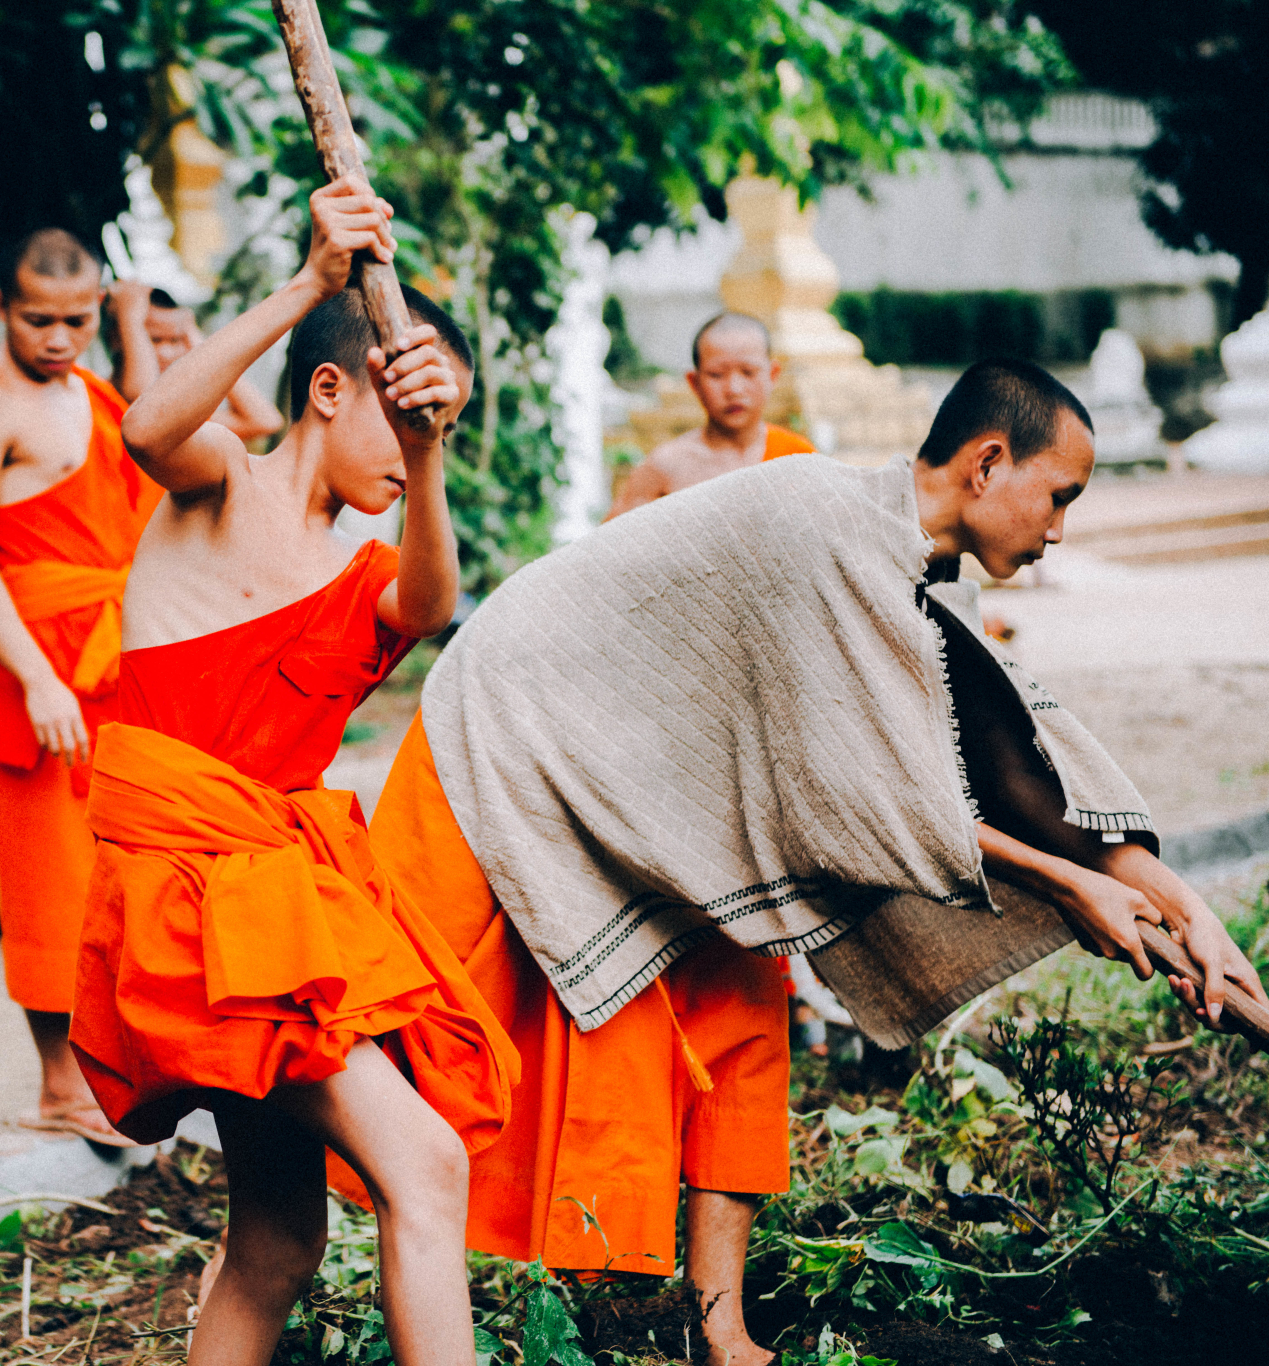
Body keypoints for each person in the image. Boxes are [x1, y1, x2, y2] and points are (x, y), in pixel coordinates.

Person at [366, 357, 1265, 1366]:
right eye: (1058, 496)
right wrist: (1074, 888)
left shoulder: (907, 561)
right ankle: (533, 1299)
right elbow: (865, 797)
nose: (1059, 528)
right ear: (986, 463)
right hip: (523, 731)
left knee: (744, 1018)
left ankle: (722, 1333)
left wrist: (1184, 908)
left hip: (672, 782)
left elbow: (1011, 764)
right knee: (493, 1028)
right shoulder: (825, 524)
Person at [68, 175, 516, 1366]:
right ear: (329, 389)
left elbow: (432, 601)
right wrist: (311, 284)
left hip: (266, 908)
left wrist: (424, 456)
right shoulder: (224, 484)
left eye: (446, 420)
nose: (425, 435)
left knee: (275, 1238)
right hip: (194, 903)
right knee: (425, 1165)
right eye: (411, 409)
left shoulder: (355, 567)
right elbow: (145, 425)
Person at [0, 227, 164, 1146]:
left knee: (121, 869)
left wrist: (133, 326)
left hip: (112, 656)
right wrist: (35, 679)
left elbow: (154, 461)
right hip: (42, 665)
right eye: (40, 320)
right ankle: (60, 1086)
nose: (61, 339)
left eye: (79, 319)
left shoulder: (90, 390)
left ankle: (121, 1070)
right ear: (1, 306)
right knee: (47, 878)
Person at [607, 311, 816, 518]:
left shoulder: (798, 457)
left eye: (748, 372)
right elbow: (612, 545)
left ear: (772, 375)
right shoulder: (665, 467)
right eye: (717, 374)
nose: (734, 389)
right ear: (694, 383)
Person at [111, 286, 285, 445]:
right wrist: (130, 320)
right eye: (153, 339)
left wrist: (199, 344)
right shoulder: (93, 393)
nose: (167, 352)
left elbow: (265, 421)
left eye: (175, 340)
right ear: (117, 338)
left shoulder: (173, 419)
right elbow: (141, 401)